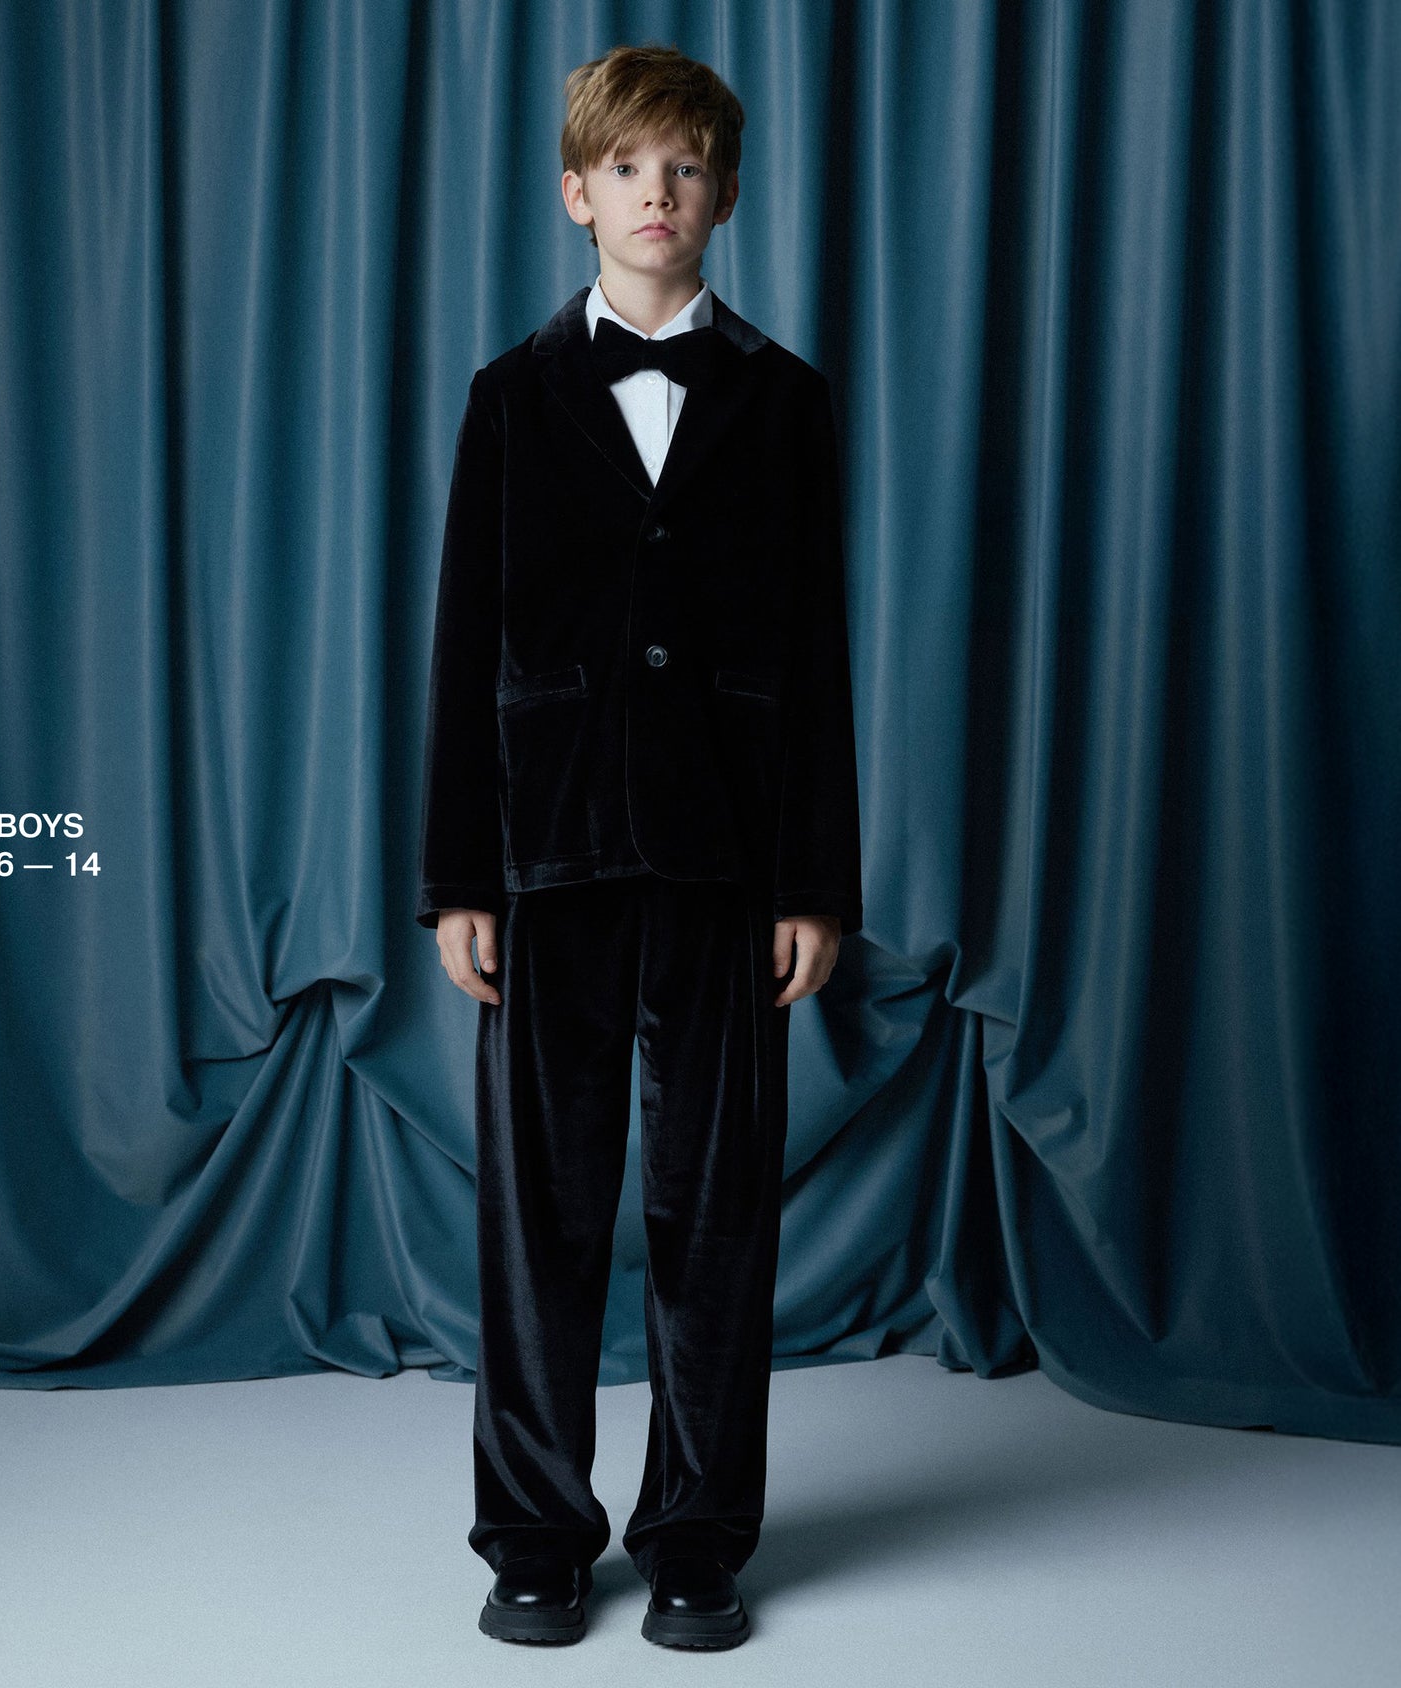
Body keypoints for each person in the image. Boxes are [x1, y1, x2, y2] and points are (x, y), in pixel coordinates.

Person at [415, 41, 863, 1650]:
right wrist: (457, 878)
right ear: (576, 195)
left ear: (723, 196)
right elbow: (465, 643)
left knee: (714, 1216)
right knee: (538, 1220)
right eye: (626, 168)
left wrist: (815, 882)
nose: (655, 192)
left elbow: (816, 653)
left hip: (730, 861)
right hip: (547, 859)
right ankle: (536, 1535)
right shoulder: (509, 398)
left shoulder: (786, 401)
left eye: (684, 167)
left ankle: (696, 1537)